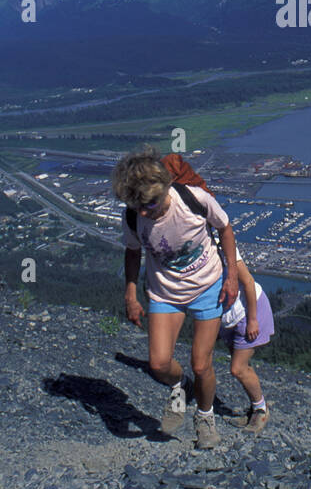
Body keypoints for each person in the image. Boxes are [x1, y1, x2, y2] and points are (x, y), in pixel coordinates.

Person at [112, 147, 238, 448]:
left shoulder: (193, 199)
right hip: (165, 292)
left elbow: (225, 228)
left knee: (201, 364)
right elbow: (132, 251)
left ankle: (205, 417)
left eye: (150, 204)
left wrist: (231, 275)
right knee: (158, 364)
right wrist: (131, 291)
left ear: (165, 188)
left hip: (207, 286)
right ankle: (181, 387)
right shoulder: (134, 217)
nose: (144, 212)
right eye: (137, 205)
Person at [218, 254, 274, 433]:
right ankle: (254, 409)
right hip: (228, 317)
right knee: (242, 366)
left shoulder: (224, 246)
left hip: (248, 311)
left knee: (238, 368)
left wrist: (252, 319)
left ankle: (261, 410)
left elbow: (248, 282)